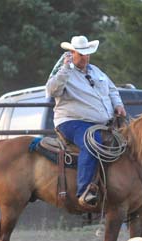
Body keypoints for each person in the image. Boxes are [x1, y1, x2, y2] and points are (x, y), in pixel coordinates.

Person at [46, 36, 126, 208]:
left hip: (101, 123)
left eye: (87, 54)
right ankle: (84, 190)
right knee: (92, 142)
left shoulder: (96, 71)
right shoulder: (64, 71)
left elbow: (112, 90)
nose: (85, 57)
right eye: (81, 54)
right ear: (72, 53)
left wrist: (118, 105)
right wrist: (65, 69)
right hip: (72, 121)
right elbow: (52, 90)